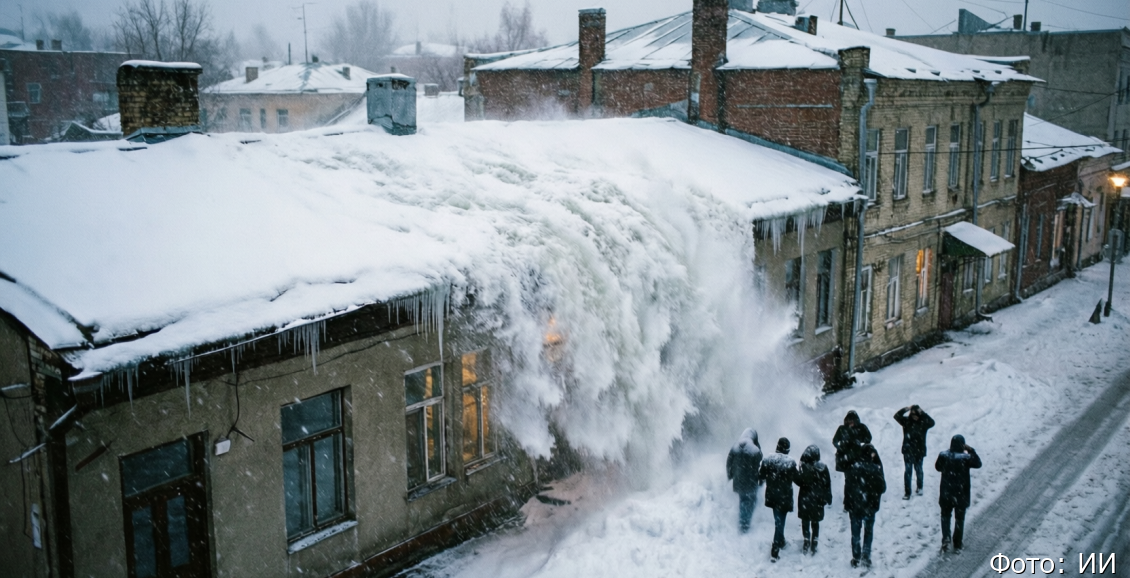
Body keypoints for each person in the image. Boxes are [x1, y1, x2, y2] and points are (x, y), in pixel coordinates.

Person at [935, 434, 982, 552]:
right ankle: (957, 543)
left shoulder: (943, 455)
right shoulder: (966, 458)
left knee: (945, 516)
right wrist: (971, 450)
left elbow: (938, 467)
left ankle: (946, 538)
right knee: (959, 519)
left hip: (946, 492)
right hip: (961, 494)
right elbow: (978, 463)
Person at [844, 443, 885, 568]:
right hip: (870, 506)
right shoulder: (875, 469)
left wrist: (847, 503)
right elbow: (882, 487)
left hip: (855, 506)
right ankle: (866, 556)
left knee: (855, 533)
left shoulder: (853, 468)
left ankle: (856, 557)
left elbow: (848, 488)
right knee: (868, 532)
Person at [759, 437, 798, 560]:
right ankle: (775, 549)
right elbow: (798, 480)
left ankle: (781, 540)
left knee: (778, 520)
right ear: (787, 449)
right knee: (780, 522)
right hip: (785, 496)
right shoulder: (790, 462)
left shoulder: (768, 460)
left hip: (772, 495)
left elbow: (761, 475)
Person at [795, 444, 832, 555]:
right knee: (815, 522)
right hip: (818, 499)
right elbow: (827, 484)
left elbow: (799, 481)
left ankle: (806, 539)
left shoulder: (805, 468)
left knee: (805, 521)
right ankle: (814, 542)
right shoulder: (823, 468)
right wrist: (828, 497)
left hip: (805, 498)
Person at [894, 404, 936, 499]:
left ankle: (920, 487)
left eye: (916, 415)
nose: (914, 417)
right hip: (908, 450)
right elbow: (896, 416)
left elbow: (932, 422)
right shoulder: (906, 422)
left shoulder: (923, 423)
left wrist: (922, 412)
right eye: (912, 415)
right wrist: (907, 408)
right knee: (908, 471)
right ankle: (907, 492)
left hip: (919, 451)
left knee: (919, 470)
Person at [726, 428, 763, 533]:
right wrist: (761, 481)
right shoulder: (755, 450)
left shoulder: (735, 447)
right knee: (750, 501)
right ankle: (744, 525)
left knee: (743, 500)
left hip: (738, 481)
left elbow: (728, 463)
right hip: (751, 481)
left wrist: (730, 476)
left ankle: (742, 522)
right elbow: (761, 467)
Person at [833, 410, 872, 504]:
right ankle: (848, 500)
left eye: (852, 420)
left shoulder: (861, 427)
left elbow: (869, 438)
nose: (851, 422)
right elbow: (835, 441)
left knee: (859, 478)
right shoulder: (842, 429)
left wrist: (860, 441)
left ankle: (858, 498)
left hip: (858, 457)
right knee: (848, 480)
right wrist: (840, 449)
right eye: (849, 420)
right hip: (846, 458)